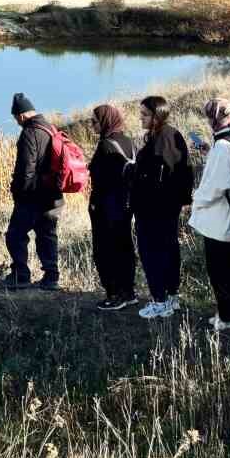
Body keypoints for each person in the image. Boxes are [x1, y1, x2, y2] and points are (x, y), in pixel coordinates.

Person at [190, 99, 230, 331]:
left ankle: (229, 317)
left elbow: (217, 184)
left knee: (221, 271)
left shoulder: (222, 146)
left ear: (214, 119)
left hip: (221, 220)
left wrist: (196, 200)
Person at [132, 95, 191, 320]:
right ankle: (171, 296)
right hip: (166, 207)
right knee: (168, 250)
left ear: (157, 116)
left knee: (152, 253)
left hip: (153, 209)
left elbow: (156, 178)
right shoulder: (168, 135)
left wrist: (133, 173)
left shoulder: (162, 140)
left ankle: (160, 301)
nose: (141, 118)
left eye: (145, 114)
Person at [1, 93, 62, 291]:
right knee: (47, 235)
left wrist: (20, 194)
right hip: (53, 195)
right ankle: (51, 277)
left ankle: (21, 275)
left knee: (15, 235)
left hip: (33, 196)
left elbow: (27, 168)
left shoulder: (30, 132)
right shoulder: (50, 127)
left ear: (20, 116)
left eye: (15, 118)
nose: (17, 122)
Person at [88, 104, 139, 311]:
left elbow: (103, 180)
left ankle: (114, 294)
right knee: (125, 247)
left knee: (104, 250)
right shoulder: (128, 142)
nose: (91, 125)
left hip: (106, 207)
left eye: (94, 121)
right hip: (125, 205)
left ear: (105, 121)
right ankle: (129, 292)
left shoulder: (105, 146)